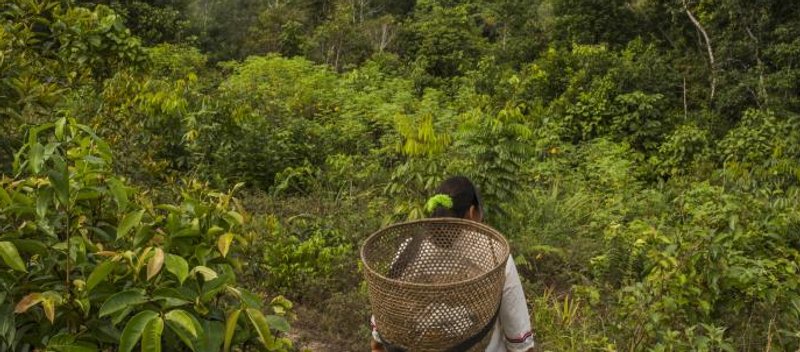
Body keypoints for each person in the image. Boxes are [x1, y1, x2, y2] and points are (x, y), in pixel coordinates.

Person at [370, 176, 535, 352]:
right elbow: (520, 343)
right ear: (472, 213)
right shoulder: (495, 255)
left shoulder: (410, 249)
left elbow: (380, 336)